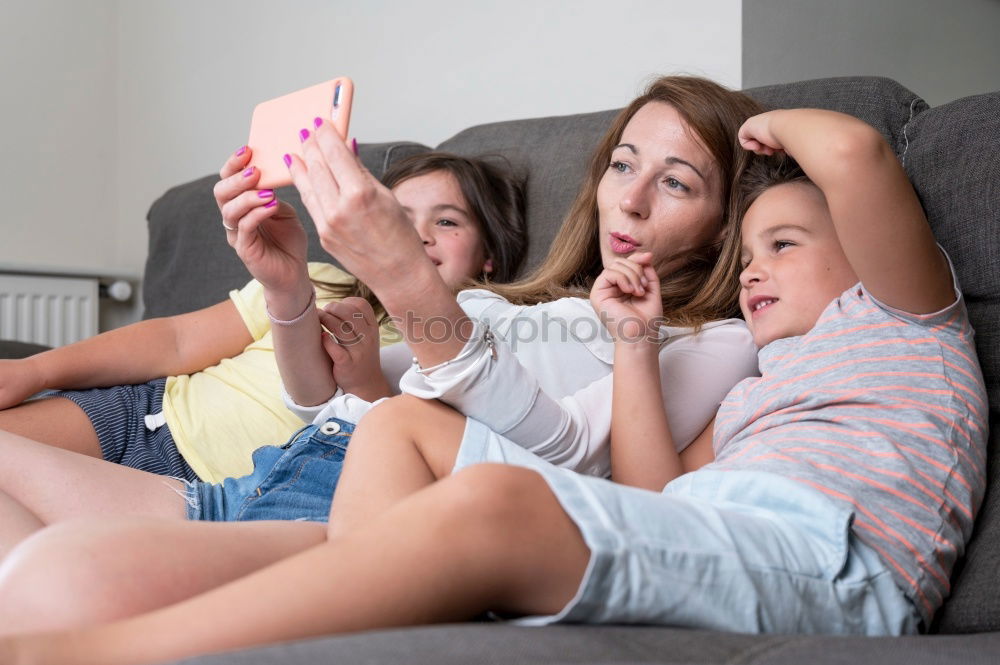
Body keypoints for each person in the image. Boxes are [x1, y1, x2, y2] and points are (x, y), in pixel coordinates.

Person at [0, 76, 766, 649]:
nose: (629, 201)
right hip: (273, 474)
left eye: (674, 182)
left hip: (351, 516)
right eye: (623, 165)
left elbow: (569, 456)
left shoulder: (707, 340)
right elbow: (325, 404)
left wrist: (406, 279)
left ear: (723, 221)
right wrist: (288, 287)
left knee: (46, 586)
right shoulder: (524, 306)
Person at [0, 151, 527, 484]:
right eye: (398, 217)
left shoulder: (467, 350)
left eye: (448, 221)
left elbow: (384, 453)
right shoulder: (318, 279)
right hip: (146, 415)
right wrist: (37, 371)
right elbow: (179, 341)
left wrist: (364, 378)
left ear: (489, 257)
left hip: (217, 495)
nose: (419, 235)